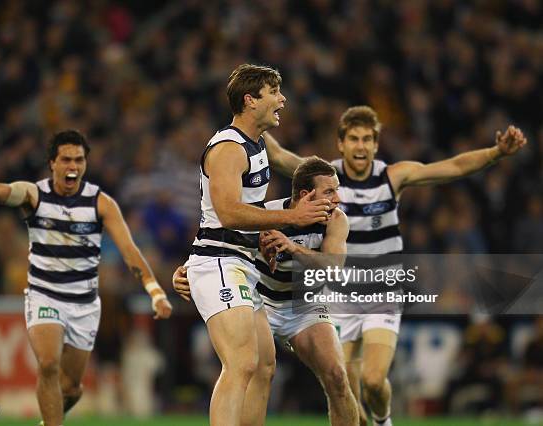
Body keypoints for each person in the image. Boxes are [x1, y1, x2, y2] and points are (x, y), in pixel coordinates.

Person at [0, 130, 173, 426]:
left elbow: (130, 250)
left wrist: (155, 291)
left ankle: (48, 420)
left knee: (72, 388)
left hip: (85, 305)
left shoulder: (101, 204)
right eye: (66, 159)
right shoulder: (33, 195)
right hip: (45, 294)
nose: (73, 166)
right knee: (49, 364)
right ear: (52, 163)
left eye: (79, 160)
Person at [331, 106, 527, 426]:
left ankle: (383, 421)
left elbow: (452, 166)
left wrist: (495, 153)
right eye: (353, 139)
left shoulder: (392, 176)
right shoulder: (324, 177)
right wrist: (248, 126)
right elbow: (282, 158)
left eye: (367, 139)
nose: (361, 146)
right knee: (342, 387)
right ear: (341, 144)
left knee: (373, 381)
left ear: (376, 145)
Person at [184, 63, 331, 426]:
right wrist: (292, 219)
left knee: (263, 365)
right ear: (250, 101)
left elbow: (289, 163)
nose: (282, 99)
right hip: (219, 260)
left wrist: (337, 184)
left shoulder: (259, 143)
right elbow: (229, 213)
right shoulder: (228, 149)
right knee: (241, 363)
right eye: (274, 93)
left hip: (240, 262)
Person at [175, 157, 359, 425]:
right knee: (250, 371)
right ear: (306, 195)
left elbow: (334, 267)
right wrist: (187, 269)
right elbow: (220, 245)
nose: (338, 199)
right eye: (329, 191)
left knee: (337, 377)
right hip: (260, 301)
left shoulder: (335, 220)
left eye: (337, 189)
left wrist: (293, 247)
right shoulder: (265, 215)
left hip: (304, 305)